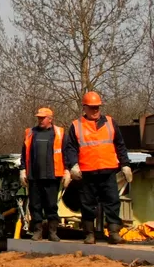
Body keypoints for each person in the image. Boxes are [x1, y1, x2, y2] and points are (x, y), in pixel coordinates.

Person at [62, 91, 132, 245]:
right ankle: (89, 234)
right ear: (84, 108)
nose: (95, 110)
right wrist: (73, 165)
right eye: (92, 107)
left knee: (113, 201)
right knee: (87, 204)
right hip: (87, 172)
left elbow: (120, 145)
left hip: (108, 170)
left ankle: (114, 233)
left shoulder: (110, 122)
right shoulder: (76, 125)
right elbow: (71, 148)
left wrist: (125, 164)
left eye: (97, 107)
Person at [18, 107, 65, 241]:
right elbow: (24, 153)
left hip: (52, 176)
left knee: (51, 205)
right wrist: (22, 170)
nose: (40, 120)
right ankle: (37, 231)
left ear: (50, 119)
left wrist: (67, 170)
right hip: (34, 176)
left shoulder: (59, 133)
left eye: (42, 118)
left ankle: (52, 232)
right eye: (38, 117)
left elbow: (65, 152)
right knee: (35, 205)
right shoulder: (30, 133)